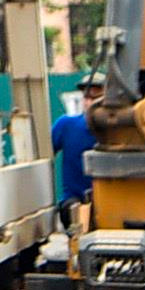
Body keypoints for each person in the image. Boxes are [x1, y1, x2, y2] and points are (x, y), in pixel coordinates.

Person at [49, 74, 101, 214]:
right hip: (74, 202)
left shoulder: (120, 131)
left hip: (110, 201)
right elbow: (44, 156)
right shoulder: (66, 125)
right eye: (87, 97)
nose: (90, 102)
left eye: (96, 97)